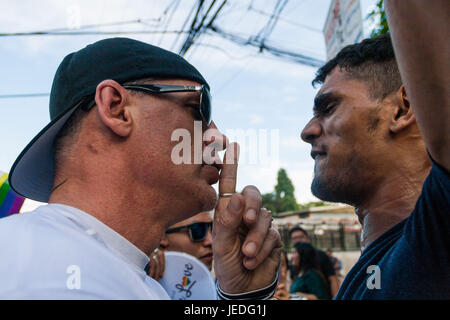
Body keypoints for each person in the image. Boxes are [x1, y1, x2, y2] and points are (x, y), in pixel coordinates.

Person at [0, 38, 282, 299]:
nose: (217, 138)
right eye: (199, 108)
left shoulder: (142, 283)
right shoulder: (23, 267)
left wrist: (244, 297)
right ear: (116, 109)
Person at [300, 0, 449, 299]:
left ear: (403, 108)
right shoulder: (372, 267)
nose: (307, 132)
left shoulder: (439, 232)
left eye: (328, 108)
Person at [289, 226, 339, 298]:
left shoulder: (320, 256)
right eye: (294, 238)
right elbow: (293, 278)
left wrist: (336, 298)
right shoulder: (295, 261)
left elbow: (332, 278)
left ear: (307, 238)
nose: (298, 240)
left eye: (300, 237)